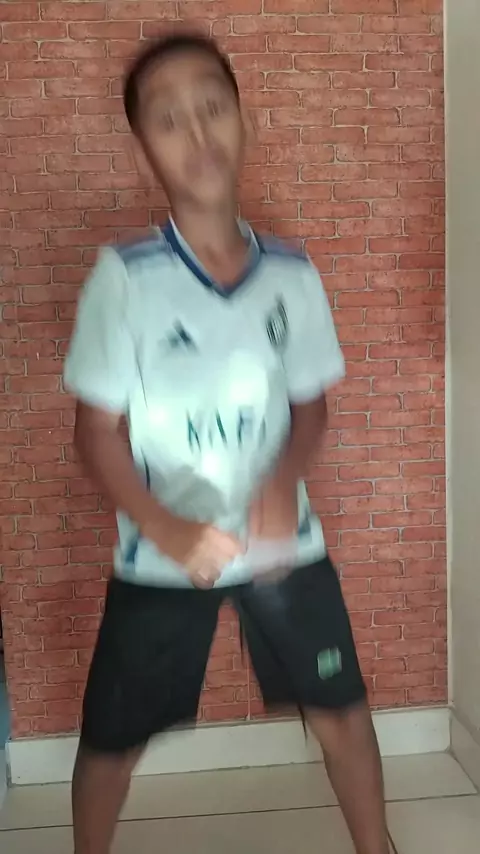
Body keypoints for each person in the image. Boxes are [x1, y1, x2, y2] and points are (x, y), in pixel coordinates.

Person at [64, 32, 390, 854]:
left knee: (343, 712)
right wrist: (166, 526)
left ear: (243, 118)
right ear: (143, 147)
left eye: (212, 106)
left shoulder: (292, 273)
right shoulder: (125, 277)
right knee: (111, 741)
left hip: (285, 548)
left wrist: (283, 481)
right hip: (162, 552)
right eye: (168, 119)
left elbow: (310, 407)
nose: (197, 132)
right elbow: (94, 433)